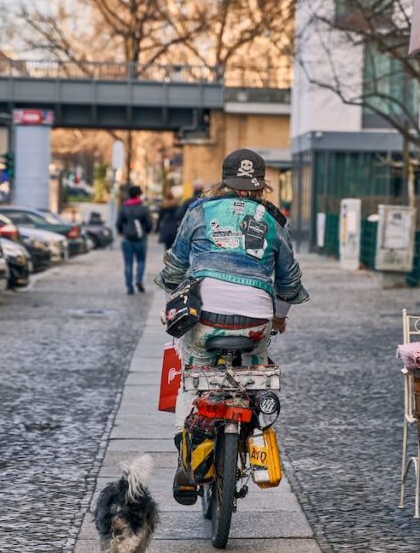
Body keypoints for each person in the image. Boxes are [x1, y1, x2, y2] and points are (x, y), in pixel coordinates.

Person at [155, 148, 309, 504]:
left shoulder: (199, 211)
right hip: (255, 320)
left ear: (223, 181)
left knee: (190, 373)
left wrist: (171, 302)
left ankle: (186, 457)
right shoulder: (273, 220)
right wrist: (279, 317)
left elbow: (174, 267)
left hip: (205, 318)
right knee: (254, 370)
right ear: (261, 185)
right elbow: (288, 281)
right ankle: (251, 429)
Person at [116, 185, 153, 295]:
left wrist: (122, 231)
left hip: (127, 238)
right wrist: (146, 231)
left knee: (128, 264)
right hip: (141, 238)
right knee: (141, 261)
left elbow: (118, 223)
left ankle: (129, 287)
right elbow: (149, 223)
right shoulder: (144, 208)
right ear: (139, 194)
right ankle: (138, 280)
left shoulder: (124, 207)